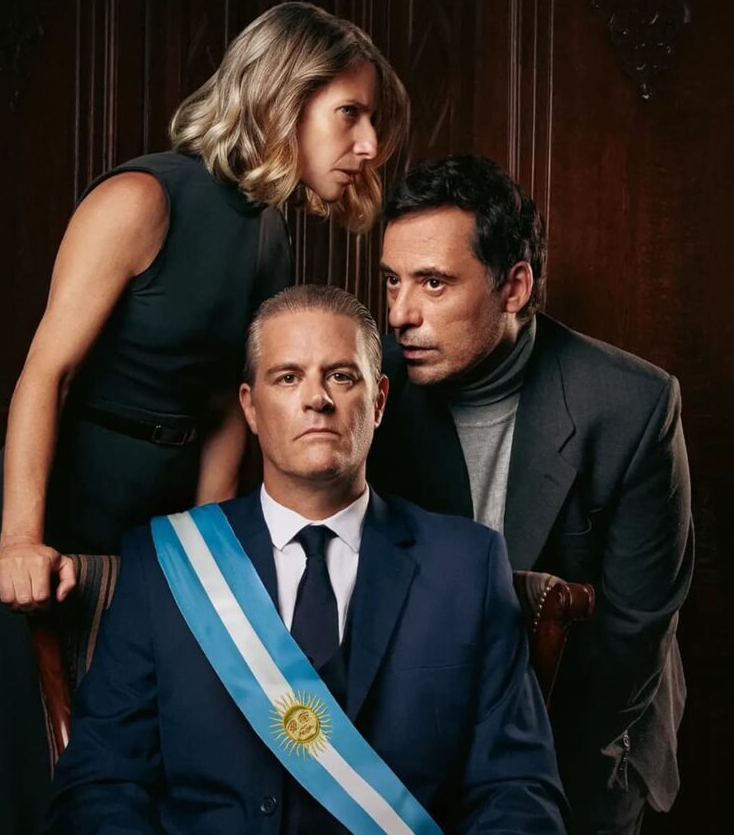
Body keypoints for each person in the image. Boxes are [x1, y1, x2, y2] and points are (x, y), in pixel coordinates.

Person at [0, 3, 410, 834]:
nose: (369, 145)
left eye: (373, 121)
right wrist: (21, 538)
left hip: (163, 515)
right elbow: (45, 375)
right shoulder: (142, 199)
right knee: (35, 778)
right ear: (282, 97)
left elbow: (223, 411)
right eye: (350, 113)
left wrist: (210, 552)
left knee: (153, 765)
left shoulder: (270, 232)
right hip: (58, 502)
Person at [46, 285, 566, 834]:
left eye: (341, 376)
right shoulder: (165, 566)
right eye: (288, 377)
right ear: (250, 406)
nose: (317, 398)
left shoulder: (466, 568)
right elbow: (100, 784)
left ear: (379, 401)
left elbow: (518, 792)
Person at [368, 155, 693, 834]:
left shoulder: (633, 404)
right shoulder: (371, 391)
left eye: (433, 283)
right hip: (418, 736)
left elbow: (634, 630)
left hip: (588, 736)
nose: (399, 314)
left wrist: (520, 773)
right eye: (393, 280)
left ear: (514, 286)